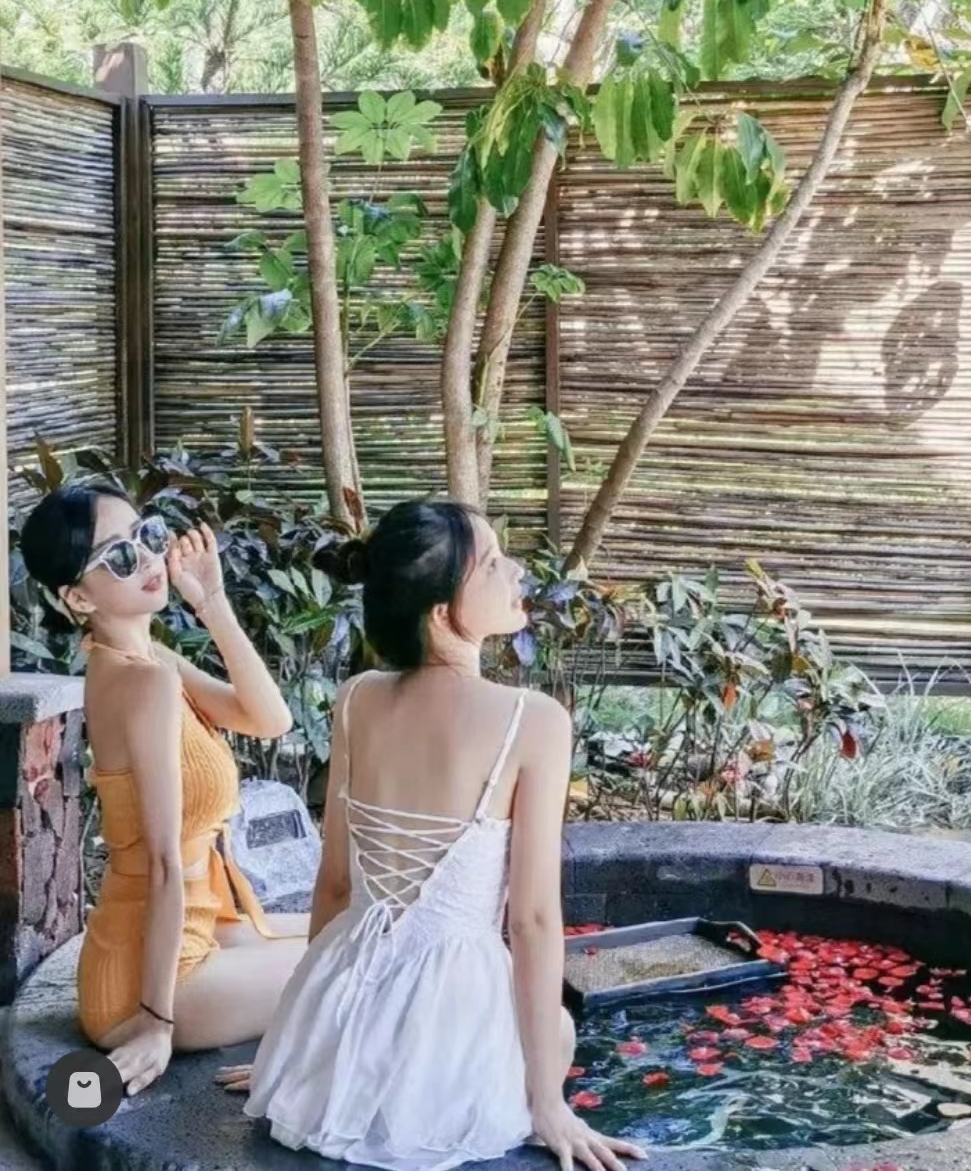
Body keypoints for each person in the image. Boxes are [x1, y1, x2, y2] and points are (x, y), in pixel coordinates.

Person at [216, 499, 645, 1171]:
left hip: (349, 993)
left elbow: (335, 884)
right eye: (493, 563)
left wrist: (300, 1046)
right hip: (452, 1005)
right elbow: (532, 920)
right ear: (442, 612)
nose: (516, 571)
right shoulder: (533, 720)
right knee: (558, 1030)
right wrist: (548, 1102)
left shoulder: (357, 699)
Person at [19, 484, 309, 1097]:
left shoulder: (147, 659)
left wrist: (213, 605)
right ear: (78, 597)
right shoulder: (142, 683)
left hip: (194, 925)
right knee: (360, 962)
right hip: (152, 976)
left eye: (145, 536)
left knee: (356, 926)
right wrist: (156, 1022)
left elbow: (269, 720)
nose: (148, 559)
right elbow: (161, 862)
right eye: (119, 557)